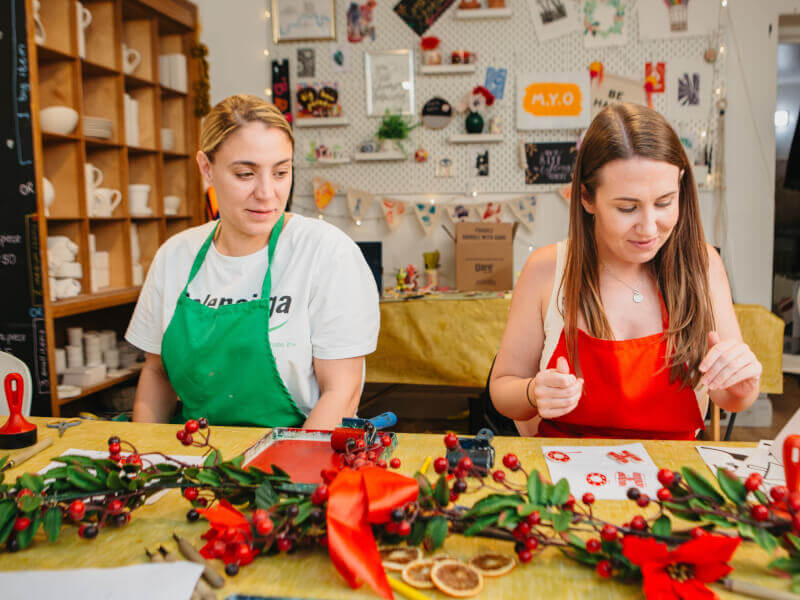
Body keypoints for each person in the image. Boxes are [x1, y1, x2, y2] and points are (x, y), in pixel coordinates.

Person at [490, 103, 761, 439]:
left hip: (671, 483)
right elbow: (502, 390)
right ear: (587, 198)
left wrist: (743, 383)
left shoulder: (702, 266)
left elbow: (732, 397)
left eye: (664, 202)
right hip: (563, 477)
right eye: (627, 207)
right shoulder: (547, 269)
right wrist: (533, 392)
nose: (648, 228)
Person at [126, 94, 380, 429]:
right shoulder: (175, 256)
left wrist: (291, 473)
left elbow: (341, 391)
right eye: (246, 174)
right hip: (191, 457)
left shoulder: (326, 254)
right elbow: (157, 373)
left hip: (299, 456)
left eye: (280, 172)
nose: (266, 192)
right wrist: (143, 459)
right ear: (206, 169)